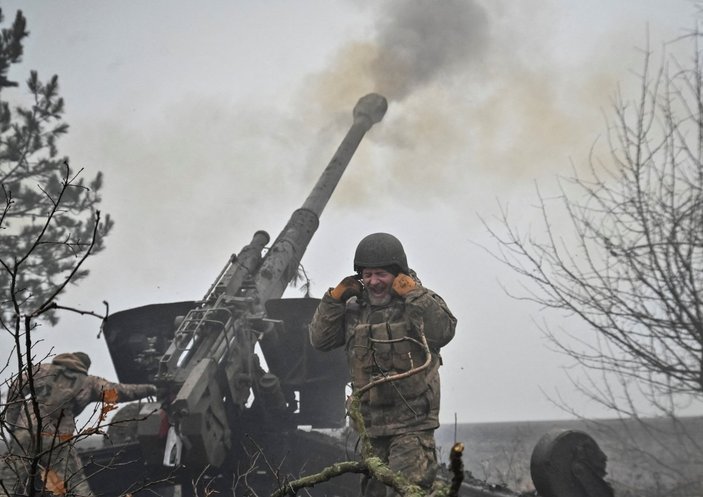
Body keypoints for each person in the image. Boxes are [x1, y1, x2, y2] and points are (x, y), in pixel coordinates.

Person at [309, 232, 456, 497]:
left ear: (398, 275)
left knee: (407, 492)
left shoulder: (418, 302)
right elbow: (320, 340)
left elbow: (443, 331)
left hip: (411, 427)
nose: (373, 282)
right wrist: (334, 298)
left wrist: (414, 295)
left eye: (381, 275)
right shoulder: (354, 310)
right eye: (367, 275)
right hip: (370, 429)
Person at [1, 351, 157, 497]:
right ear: (84, 367)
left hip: (26, 433)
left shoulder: (41, 369)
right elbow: (120, 391)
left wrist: (14, 425)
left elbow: (15, 388)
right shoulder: (88, 382)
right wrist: (150, 389)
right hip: (58, 437)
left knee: (9, 480)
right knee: (76, 483)